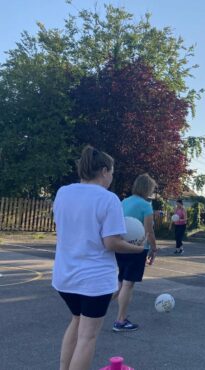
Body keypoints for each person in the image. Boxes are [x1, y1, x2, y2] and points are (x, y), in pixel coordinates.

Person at [52, 145, 144, 370]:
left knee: (76, 321)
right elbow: (111, 242)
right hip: (93, 281)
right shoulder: (108, 198)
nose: (112, 176)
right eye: (112, 171)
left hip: (64, 277)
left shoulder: (63, 192)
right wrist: (139, 249)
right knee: (88, 337)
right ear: (104, 170)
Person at [113, 173, 158, 332]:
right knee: (128, 283)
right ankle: (120, 320)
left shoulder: (123, 202)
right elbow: (149, 231)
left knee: (120, 280)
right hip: (137, 247)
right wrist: (153, 248)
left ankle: (97, 306)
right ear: (147, 188)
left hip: (121, 245)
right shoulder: (146, 206)